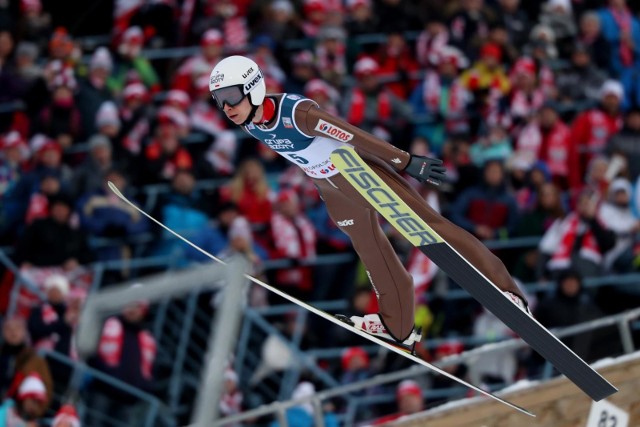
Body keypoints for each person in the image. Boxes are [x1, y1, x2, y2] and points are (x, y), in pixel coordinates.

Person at [208, 55, 530, 353]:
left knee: (426, 227)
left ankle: (503, 287)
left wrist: (405, 161)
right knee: (370, 248)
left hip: (356, 169)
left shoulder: (298, 114)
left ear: (253, 87)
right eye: (219, 101)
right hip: (329, 185)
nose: (226, 108)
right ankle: (398, 324)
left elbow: (351, 134)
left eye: (231, 97)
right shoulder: (251, 123)